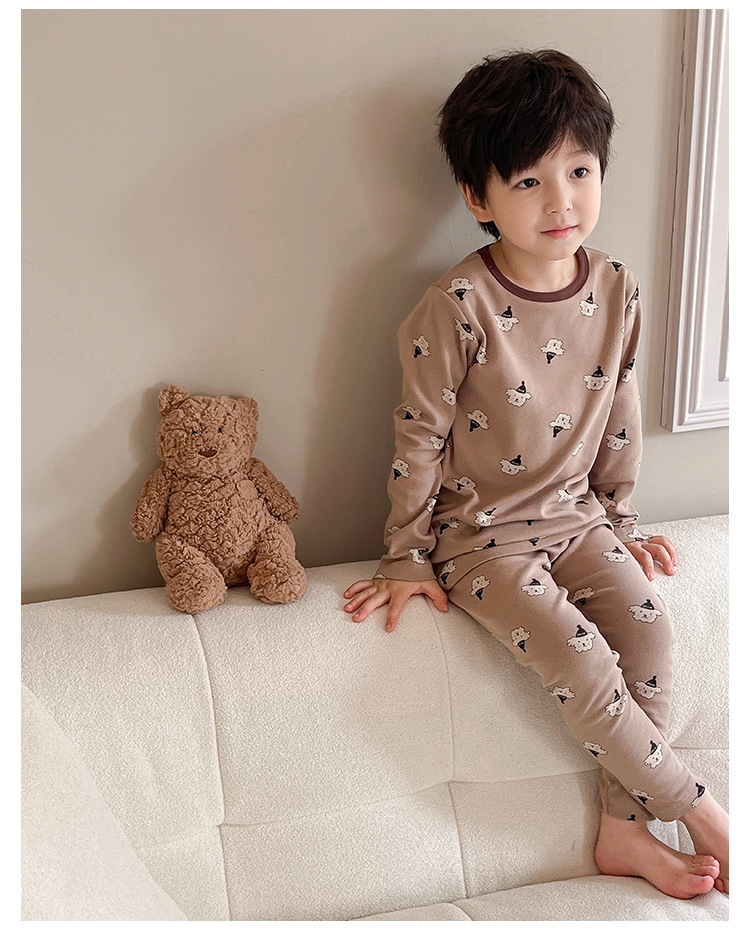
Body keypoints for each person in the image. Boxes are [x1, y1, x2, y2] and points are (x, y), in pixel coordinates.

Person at [343, 49, 728, 899]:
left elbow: (620, 413)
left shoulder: (619, 288)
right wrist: (404, 554)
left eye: (580, 171)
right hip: (482, 542)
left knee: (651, 634)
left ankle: (624, 830)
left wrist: (620, 523)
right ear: (478, 199)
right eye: (529, 181)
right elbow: (418, 438)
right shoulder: (455, 307)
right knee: (583, 662)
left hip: (578, 519)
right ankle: (702, 812)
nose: (562, 201)